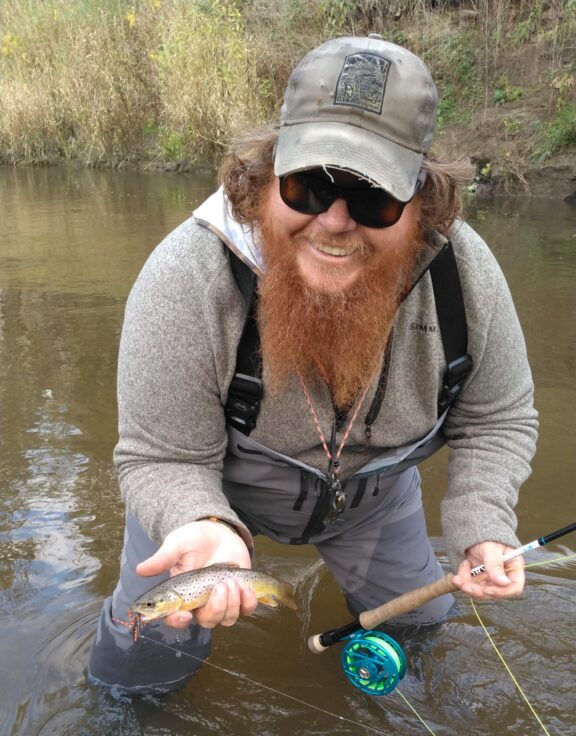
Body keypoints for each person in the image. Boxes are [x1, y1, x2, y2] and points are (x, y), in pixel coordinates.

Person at [88, 35, 538, 694]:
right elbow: (160, 456)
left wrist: (481, 525)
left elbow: (497, 418)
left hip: (372, 504)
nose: (333, 221)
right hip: (206, 492)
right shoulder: (188, 275)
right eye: (308, 185)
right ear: (266, 178)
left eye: (373, 197)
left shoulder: (464, 280)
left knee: (426, 635)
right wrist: (201, 523)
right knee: (141, 656)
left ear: (424, 204)